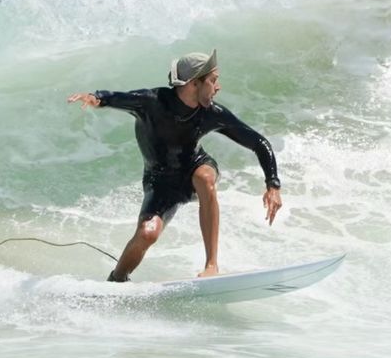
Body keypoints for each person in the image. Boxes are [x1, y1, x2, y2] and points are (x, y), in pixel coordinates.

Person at [67, 49, 282, 281]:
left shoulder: (211, 113)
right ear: (193, 83)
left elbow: (258, 142)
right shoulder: (152, 102)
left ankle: (211, 265)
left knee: (205, 178)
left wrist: (273, 184)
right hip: (160, 182)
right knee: (148, 234)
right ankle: (117, 280)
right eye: (212, 81)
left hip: (195, 167)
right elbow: (115, 98)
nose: (217, 87)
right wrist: (95, 98)